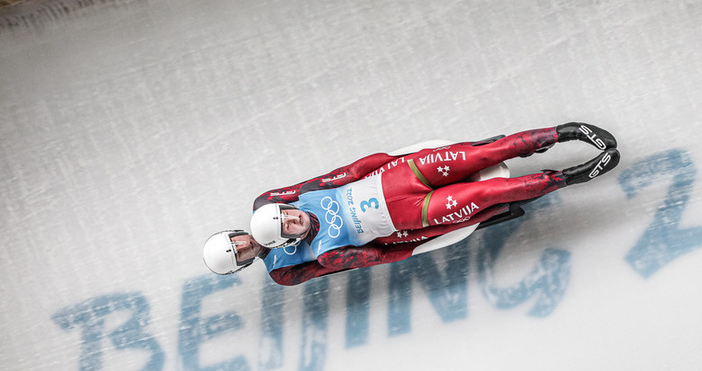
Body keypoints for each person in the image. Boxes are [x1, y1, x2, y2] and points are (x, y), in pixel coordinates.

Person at [248, 123, 619, 273]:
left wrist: (393, 160)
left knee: (484, 154)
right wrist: (414, 244)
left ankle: (566, 131)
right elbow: (377, 255)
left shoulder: (311, 194)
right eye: (288, 227)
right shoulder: (328, 250)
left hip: (401, 176)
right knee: (493, 192)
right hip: (415, 213)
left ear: (285, 206)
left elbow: (351, 171)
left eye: (286, 214)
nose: (293, 219)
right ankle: (575, 175)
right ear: (289, 239)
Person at [203, 202, 515, 285]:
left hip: (361, 203)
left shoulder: (265, 205)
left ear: (234, 233)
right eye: (239, 254)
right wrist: (388, 254)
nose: (244, 245)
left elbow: (314, 186)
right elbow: (333, 268)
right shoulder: (281, 272)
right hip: (377, 234)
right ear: (243, 264)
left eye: (236, 242)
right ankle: (489, 211)